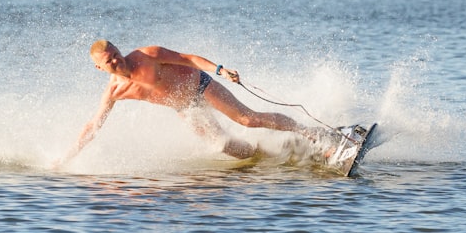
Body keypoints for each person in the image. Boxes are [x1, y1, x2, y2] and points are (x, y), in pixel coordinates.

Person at [59, 40, 325, 164]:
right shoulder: (115, 92)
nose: (118, 61)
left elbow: (189, 59)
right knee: (226, 147)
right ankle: (276, 152)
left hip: (200, 86)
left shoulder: (147, 55)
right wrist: (66, 158)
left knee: (248, 119)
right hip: (183, 107)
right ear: (100, 68)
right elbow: (93, 125)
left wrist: (220, 69)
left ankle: (313, 134)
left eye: (116, 54)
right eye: (110, 61)